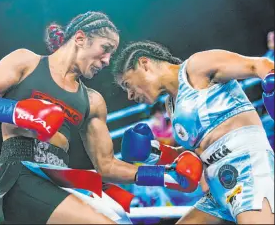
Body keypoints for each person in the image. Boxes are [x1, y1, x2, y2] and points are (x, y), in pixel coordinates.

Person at [0, 12, 203, 224]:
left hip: (58, 180)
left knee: (120, 220)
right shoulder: (27, 62)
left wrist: (166, 174)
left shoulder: (93, 101)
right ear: (80, 38)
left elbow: (107, 166)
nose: (107, 60)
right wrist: (19, 113)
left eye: (111, 54)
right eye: (105, 48)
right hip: (19, 174)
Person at [111, 40, 274, 224]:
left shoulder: (196, 67)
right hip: (217, 190)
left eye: (126, 84)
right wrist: (153, 152)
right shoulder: (171, 106)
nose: (129, 95)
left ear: (144, 63)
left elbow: (259, 65)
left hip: (249, 169)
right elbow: (196, 153)